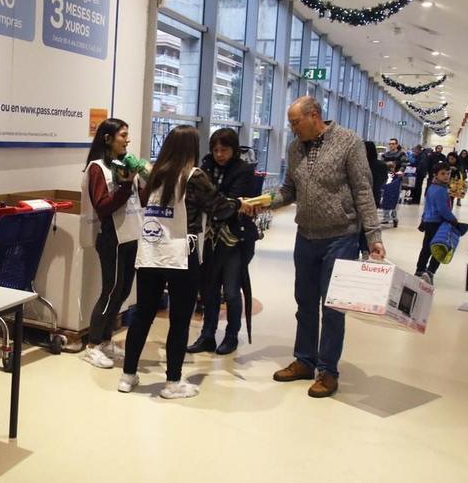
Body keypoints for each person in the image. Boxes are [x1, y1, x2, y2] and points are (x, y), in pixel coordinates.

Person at [254, 97, 384, 399]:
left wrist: (374, 237)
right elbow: (289, 190)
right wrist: (262, 204)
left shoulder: (349, 143)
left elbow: (364, 191)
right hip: (306, 237)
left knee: (333, 308)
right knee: (305, 303)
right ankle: (304, 361)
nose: (292, 129)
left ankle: (328, 370)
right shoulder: (296, 147)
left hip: (341, 237)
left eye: (296, 123)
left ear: (315, 116)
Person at [118, 125, 240, 398]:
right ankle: (173, 383)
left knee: (142, 316)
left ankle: (127, 376)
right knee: (180, 320)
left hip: (149, 253)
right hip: (180, 256)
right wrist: (240, 205)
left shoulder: (153, 175)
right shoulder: (193, 176)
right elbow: (220, 208)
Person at [187, 128, 258, 356]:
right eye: (216, 149)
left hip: (236, 238)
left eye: (224, 150)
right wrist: (223, 202)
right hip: (209, 237)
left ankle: (231, 335)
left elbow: (226, 205)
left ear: (234, 150)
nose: (219, 154)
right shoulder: (205, 165)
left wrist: (219, 201)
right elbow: (209, 200)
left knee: (232, 290)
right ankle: (207, 335)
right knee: (208, 290)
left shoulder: (244, 170)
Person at [80, 118, 142, 369]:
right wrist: (126, 184)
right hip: (111, 237)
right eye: (122, 135)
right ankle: (92, 344)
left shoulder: (122, 164)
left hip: (131, 233)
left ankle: (106, 339)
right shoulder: (97, 168)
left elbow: (139, 198)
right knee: (110, 289)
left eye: (128, 134)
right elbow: (103, 206)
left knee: (124, 289)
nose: (127, 139)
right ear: (108, 138)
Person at [416, 162, 458, 285]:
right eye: (443, 174)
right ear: (435, 174)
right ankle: (430, 272)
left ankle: (419, 270)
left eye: (448, 173)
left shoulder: (432, 186)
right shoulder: (440, 190)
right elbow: (443, 210)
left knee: (427, 247)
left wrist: (423, 219)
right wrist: (453, 220)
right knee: (440, 248)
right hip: (438, 223)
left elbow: (427, 206)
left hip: (429, 221)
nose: (446, 176)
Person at [362, 141, 388, 253]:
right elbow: (383, 180)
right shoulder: (381, 165)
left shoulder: (361, 164)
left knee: (359, 226)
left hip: (360, 198)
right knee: (369, 224)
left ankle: (361, 248)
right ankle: (366, 249)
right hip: (374, 197)